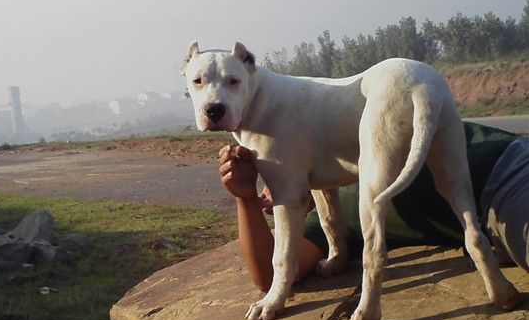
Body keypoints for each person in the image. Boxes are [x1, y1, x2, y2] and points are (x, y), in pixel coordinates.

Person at [218, 121, 529, 292]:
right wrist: (245, 199)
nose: (268, 187)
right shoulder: (330, 226)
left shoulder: (337, 130)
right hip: (490, 216)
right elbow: (271, 278)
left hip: (505, 170)